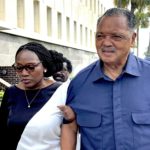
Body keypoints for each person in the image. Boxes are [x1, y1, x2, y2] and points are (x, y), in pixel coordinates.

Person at [60, 8, 150, 150]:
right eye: (100, 36)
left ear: (132, 39)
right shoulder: (79, 84)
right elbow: (70, 127)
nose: (106, 43)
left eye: (116, 36)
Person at [0, 41, 70, 150]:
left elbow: (72, 132)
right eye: (19, 67)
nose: (24, 73)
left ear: (45, 66)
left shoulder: (62, 92)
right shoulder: (11, 92)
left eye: (30, 67)